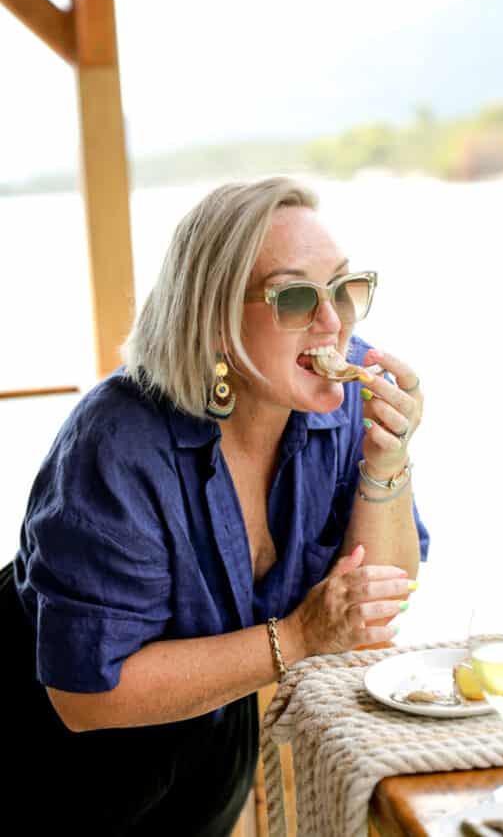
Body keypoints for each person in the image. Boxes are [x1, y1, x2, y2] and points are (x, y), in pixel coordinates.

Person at [1, 176, 429, 836]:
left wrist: (387, 463)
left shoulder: (345, 396)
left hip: (207, 734)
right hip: (46, 753)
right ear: (215, 321)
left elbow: (378, 604)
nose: (335, 323)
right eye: (294, 297)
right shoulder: (117, 441)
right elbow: (86, 695)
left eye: (345, 288)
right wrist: (297, 637)